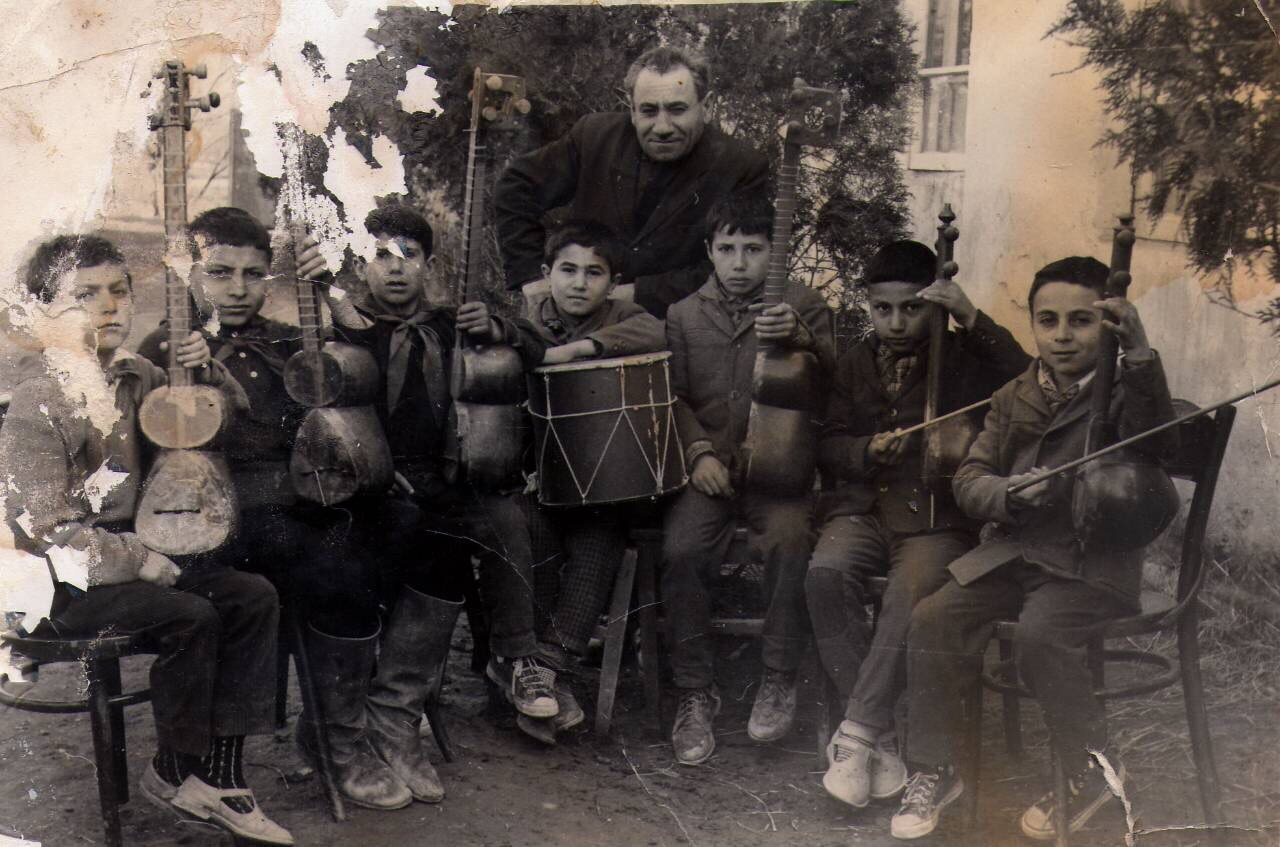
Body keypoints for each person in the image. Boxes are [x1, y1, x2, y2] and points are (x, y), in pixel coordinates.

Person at [138, 207, 462, 811]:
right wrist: (185, 370)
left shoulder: (284, 338)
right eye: (220, 273)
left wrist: (331, 293)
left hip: (302, 498)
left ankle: (391, 717)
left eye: (253, 274)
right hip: (229, 516)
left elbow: (357, 370)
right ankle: (338, 740)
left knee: (433, 534)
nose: (238, 288)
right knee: (337, 565)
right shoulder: (170, 346)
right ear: (189, 276)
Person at [0, 235, 292, 845]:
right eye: (84, 296)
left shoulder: (139, 375)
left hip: (130, 560)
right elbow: (45, 529)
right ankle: (176, 769)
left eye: (119, 290)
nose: (108, 306)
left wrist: (203, 371)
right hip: (58, 582)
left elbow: (222, 418)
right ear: (44, 313)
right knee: (190, 613)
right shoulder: (36, 401)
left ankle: (218, 777)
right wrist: (137, 558)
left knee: (251, 595)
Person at [889, 257, 1179, 841]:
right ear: (1032, 325)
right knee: (933, 618)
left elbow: (1163, 445)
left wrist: (1139, 352)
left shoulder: (1125, 389)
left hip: (1089, 566)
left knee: (1040, 635)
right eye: (1048, 321)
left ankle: (1093, 772)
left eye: (1081, 321)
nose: (1062, 336)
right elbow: (970, 479)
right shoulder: (1013, 394)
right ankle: (934, 767)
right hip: (1016, 554)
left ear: (1108, 326)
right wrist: (1009, 493)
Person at [296, 205, 559, 742]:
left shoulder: (448, 323)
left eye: (409, 256)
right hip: (383, 481)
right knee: (403, 537)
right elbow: (328, 407)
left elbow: (538, 350)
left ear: (429, 264)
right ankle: (390, 691)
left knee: (507, 520)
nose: (395, 268)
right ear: (361, 264)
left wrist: (497, 327)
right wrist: (370, 465)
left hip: (452, 478)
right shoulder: (352, 326)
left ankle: (516, 657)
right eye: (381, 256)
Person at [807, 241, 1029, 808]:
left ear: (934, 306)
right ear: (869, 306)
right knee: (825, 575)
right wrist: (863, 450)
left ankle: (856, 733)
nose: (897, 322)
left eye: (912, 308)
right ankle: (879, 732)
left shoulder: (963, 359)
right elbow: (828, 441)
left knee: (909, 592)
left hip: (936, 520)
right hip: (863, 511)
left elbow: (1025, 377)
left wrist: (969, 316)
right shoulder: (853, 362)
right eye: (883, 309)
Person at [661, 195, 834, 764]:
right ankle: (694, 689)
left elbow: (835, 383)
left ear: (775, 252)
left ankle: (778, 676)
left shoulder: (804, 306)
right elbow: (673, 397)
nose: (739, 263)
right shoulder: (684, 315)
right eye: (727, 248)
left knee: (791, 542)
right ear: (709, 251)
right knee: (682, 550)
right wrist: (697, 454)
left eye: (754, 250)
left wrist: (803, 338)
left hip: (778, 476)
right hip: (711, 472)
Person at [494, 46, 768, 319]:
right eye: (648, 111)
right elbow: (516, 186)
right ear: (632, 109)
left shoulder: (740, 166)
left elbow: (735, 266)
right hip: (569, 320)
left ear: (705, 107)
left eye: (677, 110)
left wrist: (633, 294)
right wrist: (532, 277)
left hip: (672, 323)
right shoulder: (595, 136)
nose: (662, 127)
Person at [521, 220, 666, 735]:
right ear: (547, 274)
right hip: (537, 479)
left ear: (613, 282)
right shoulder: (527, 321)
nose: (580, 283)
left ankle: (547, 667)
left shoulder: (624, 316)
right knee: (533, 534)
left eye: (594, 273)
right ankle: (539, 672)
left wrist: (577, 350)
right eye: (568, 270)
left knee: (599, 538)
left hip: (602, 487)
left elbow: (656, 333)